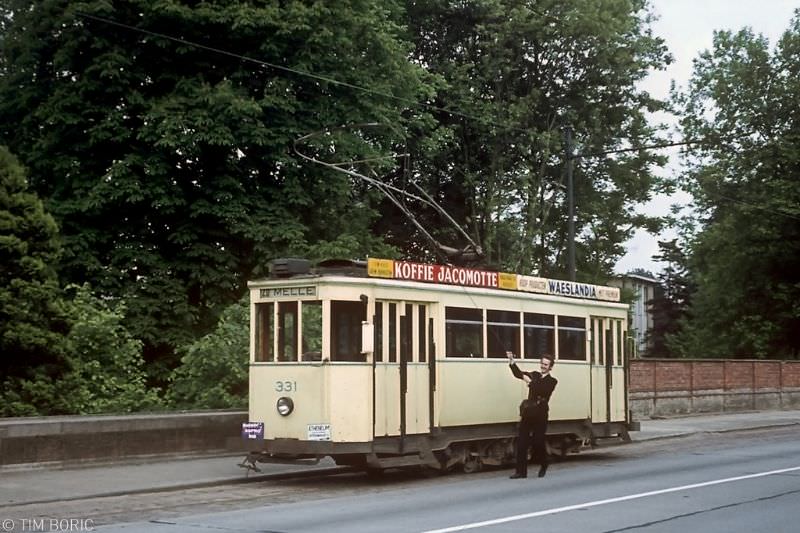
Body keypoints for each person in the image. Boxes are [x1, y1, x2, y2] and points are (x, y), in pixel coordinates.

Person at [507, 351, 557, 479]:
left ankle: (544, 463)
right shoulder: (534, 375)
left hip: (540, 415)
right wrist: (512, 361)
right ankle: (521, 472)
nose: (543, 366)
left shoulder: (552, 381)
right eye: (542, 363)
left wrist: (530, 383)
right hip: (528, 413)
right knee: (522, 443)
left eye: (546, 364)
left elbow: (542, 390)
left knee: (537, 442)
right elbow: (519, 374)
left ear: (550, 367)